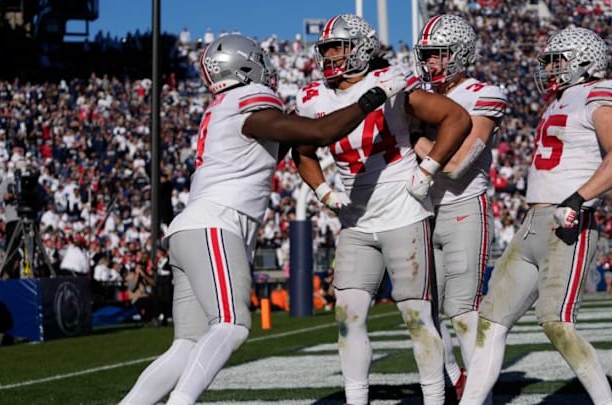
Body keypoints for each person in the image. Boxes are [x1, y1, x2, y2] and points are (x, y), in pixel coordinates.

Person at [118, 33, 409, 405]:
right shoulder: (248, 100)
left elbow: (294, 134)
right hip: (215, 224)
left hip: (189, 229)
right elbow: (320, 133)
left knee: (186, 345)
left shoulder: (225, 107)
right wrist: (374, 96)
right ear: (245, 66)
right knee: (232, 325)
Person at [293, 14, 472, 405]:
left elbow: (456, 117)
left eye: (337, 47)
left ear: (360, 48)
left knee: (417, 318)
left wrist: (428, 168)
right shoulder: (312, 97)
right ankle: (356, 399)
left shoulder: (390, 82)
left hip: (403, 214)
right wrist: (323, 191)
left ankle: (435, 398)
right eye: (326, 49)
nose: (329, 57)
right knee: (347, 317)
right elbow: (302, 150)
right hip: (356, 222)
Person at [460, 27, 612, 405]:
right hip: (531, 224)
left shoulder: (600, 94)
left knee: (557, 323)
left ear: (583, 62)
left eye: (558, 60)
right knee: (491, 321)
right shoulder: (560, 100)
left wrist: (577, 199)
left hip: (568, 223)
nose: (550, 68)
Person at [412, 14, 506, 401]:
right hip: (422, 212)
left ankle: (478, 394)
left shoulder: (483, 93)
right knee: (423, 309)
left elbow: (455, 167)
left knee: (462, 309)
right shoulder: (418, 93)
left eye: (438, 54)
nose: (430, 63)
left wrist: (415, 138)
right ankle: (456, 379)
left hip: (464, 206)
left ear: (460, 54)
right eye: (427, 55)